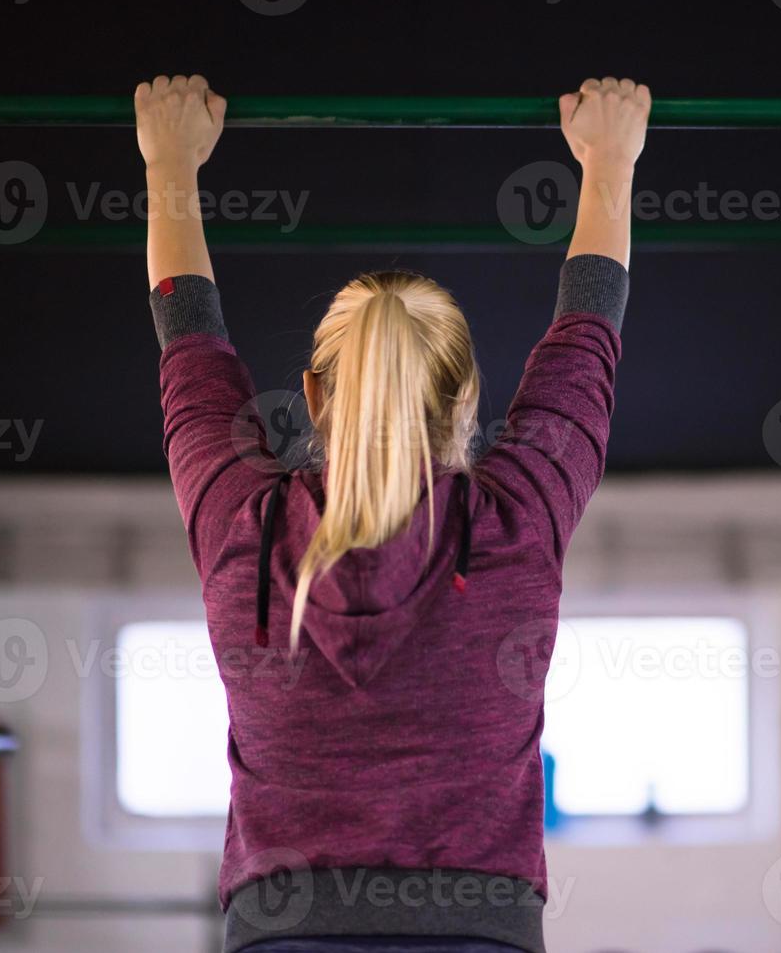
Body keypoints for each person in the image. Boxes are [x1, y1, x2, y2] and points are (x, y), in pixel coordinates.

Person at [135, 73, 651, 953]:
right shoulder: (513, 521)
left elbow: (190, 345)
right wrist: (609, 157)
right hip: (480, 933)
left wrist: (169, 159)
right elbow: (586, 337)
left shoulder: (244, 530)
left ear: (309, 395)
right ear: (465, 404)